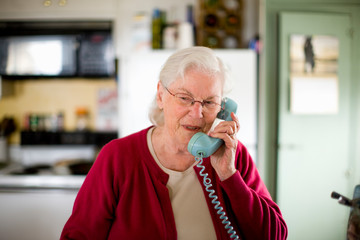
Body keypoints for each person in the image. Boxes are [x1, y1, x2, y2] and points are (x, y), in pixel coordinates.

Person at [60, 46, 288, 240]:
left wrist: (229, 176)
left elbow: (275, 235)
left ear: (223, 108)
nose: (197, 113)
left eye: (209, 102)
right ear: (161, 96)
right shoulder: (118, 157)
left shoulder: (232, 156)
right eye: (184, 98)